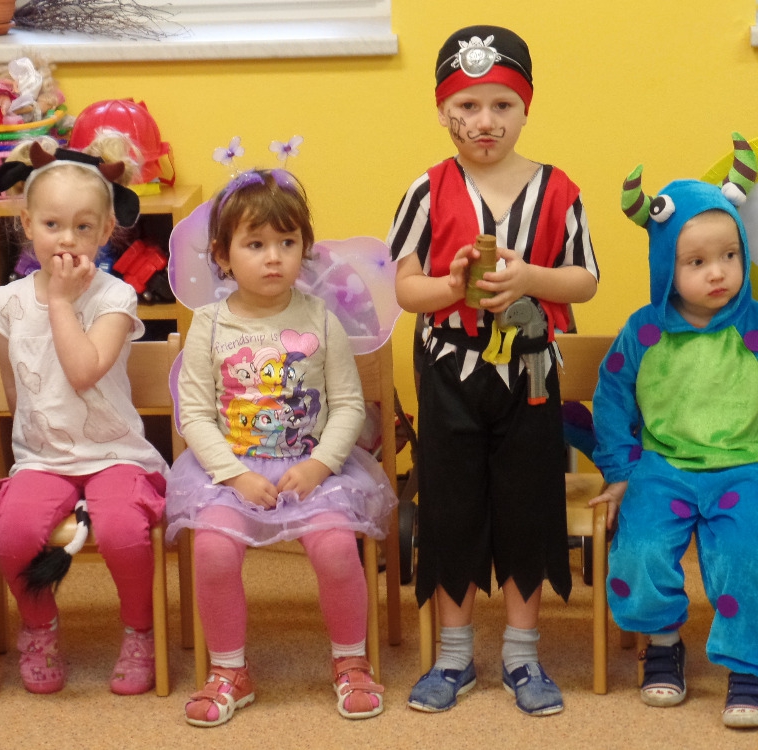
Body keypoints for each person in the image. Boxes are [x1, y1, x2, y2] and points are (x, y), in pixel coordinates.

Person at [388, 25, 599, 717]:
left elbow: (585, 279)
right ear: (443, 111)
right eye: (468, 106)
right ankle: (453, 656)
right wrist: (451, 287)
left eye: (502, 105)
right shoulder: (426, 190)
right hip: (449, 371)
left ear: (525, 108)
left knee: (527, 502)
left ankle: (522, 653)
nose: (485, 121)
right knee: (451, 504)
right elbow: (407, 290)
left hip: (529, 372)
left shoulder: (559, 190)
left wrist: (532, 277)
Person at [165, 168, 397, 727]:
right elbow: (194, 414)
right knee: (213, 551)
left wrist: (319, 466)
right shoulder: (208, 324)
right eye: (255, 244)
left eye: (287, 243)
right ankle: (229, 670)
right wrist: (234, 475)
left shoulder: (320, 319)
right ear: (221, 256)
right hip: (229, 473)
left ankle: (351, 661)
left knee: (336, 549)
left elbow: (348, 405)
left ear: (304, 249)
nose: (273, 257)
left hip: (312, 470)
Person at [0, 132, 167, 696]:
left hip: (115, 454)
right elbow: (15, 389)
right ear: (26, 223)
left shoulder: (115, 297)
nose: (67, 239)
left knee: (124, 532)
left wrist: (62, 301)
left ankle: (140, 631)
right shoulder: (6, 302)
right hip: (43, 459)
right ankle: (39, 629)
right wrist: (32, 453)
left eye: (84, 227)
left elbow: (84, 371)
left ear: (107, 231)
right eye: (52, 224)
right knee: (12, 534)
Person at [590, 141, 758, 729]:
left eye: (730, 255)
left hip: (745, 467)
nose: (718, 272)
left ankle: (747, 661)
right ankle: (662, 645)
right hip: (662, 468)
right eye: (697, 262)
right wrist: (620, 472)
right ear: (666, 266)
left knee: (747, 554)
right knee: (638, 550)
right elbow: (611, 399)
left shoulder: (753, 326)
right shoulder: (645, 331)